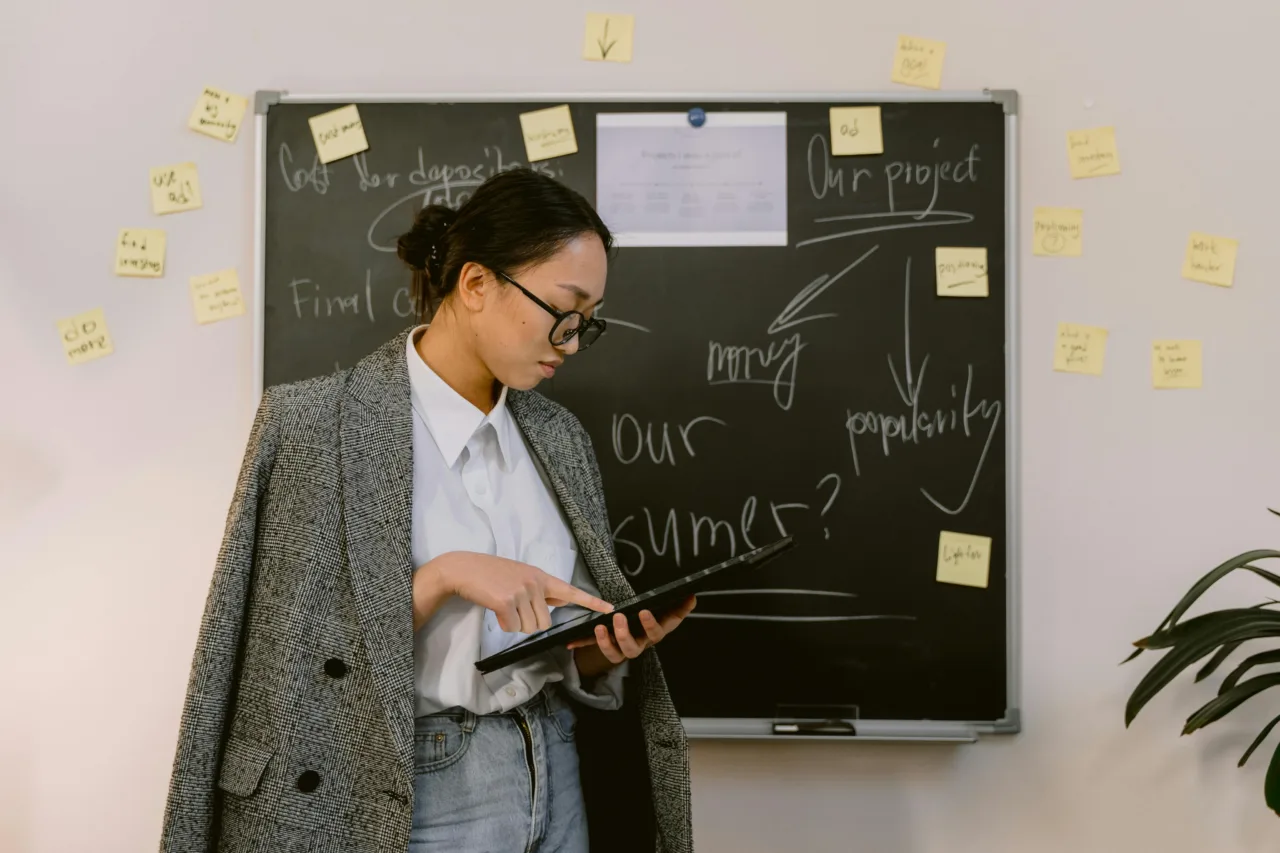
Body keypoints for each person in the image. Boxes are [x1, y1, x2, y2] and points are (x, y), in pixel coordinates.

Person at [160, 168, 697, 853]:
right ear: (475, 285)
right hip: (406, 786)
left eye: (587, 323)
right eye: (564, 309)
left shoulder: (558, 436)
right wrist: (442, 576)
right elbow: (286, 673)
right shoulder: (311, 425)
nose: (569, 339)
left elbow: (549, 655)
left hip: (558, 771)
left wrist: (599, 654)